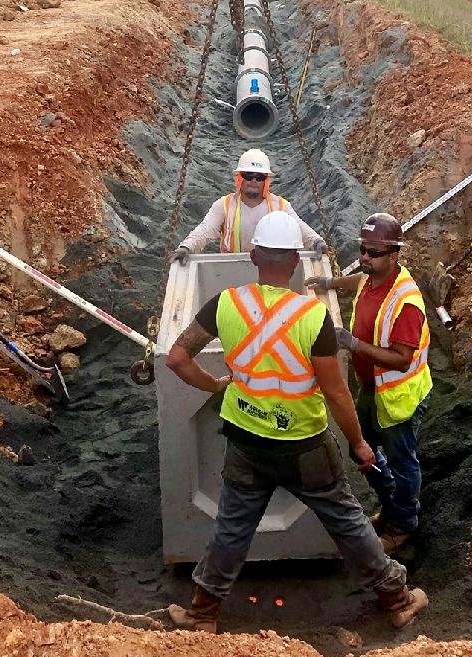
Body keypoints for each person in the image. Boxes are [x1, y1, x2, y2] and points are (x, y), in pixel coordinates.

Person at [164, 212, 428, 633]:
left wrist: (215, 385)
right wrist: (359, 444)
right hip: (304, 445)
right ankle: (396, 600)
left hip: (246, 440)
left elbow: (177, 358)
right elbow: (336, 392)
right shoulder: (312, 317)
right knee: (347, 521)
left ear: (253, 257)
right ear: (293, 263)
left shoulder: (226, 304)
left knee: (232, 528)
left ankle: (201, 613)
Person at [307, 213, 431, 554]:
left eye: (373, 252)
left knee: (403, 462)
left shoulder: (405, 302)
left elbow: (402, 358)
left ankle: (403, 524)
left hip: (398, 396)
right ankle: (391, 499)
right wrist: (328, 283)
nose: (364, 257)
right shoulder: (372, 278)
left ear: (394, 255)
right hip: (372, 387)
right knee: (358, 445)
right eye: (362, 249)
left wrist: (352, 344)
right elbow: (357, 283)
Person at [173, 148, 325, 260]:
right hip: (232, 267)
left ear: (266, 180)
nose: (253, 180)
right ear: (240, 178)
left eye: (259, 177)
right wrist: (187, 247)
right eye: (248, 175)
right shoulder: (224, 205)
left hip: (269, 268)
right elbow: (205, 230)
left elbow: (299, 227)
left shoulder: (280, 206)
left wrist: (316, 242)